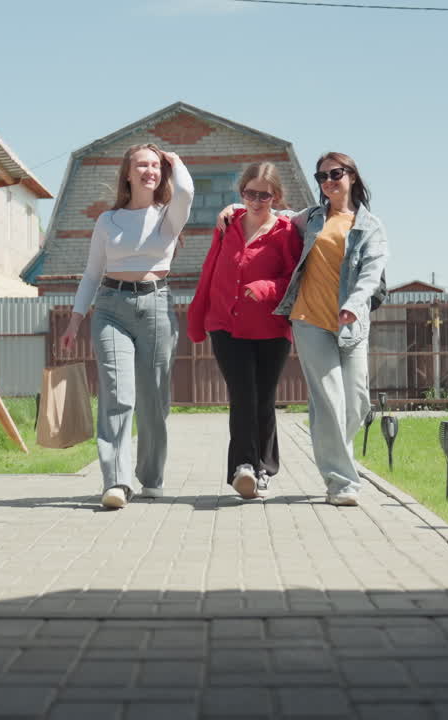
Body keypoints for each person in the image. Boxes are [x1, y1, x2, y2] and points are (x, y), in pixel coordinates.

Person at [218, 152, 388, 506]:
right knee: (329, 400)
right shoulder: (310, 218)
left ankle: (336, 453)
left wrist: (354, 305)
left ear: (352, 177)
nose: (328, 181)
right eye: (322, 176)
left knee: (356, 404)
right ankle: (341, 481)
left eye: (335, 174)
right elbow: (272, 213)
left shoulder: (371, 226)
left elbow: (372, 273)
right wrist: (236, 207)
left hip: (351, 323)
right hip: (309, 320)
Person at [59, 144, 193, 509]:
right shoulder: (108, 221)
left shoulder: (169, 215)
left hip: (156, 306)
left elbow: (186, 191)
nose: (150, 170)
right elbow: (91, 274)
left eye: (155, 165)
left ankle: (151, 477)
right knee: (117, 394)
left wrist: (175, 160)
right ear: (128, 173)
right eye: (142, 165)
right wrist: (75, 319)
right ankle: (116, 482)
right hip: (110, 307)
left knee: (153, 399)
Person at [187, 163, 303, 500]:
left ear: (275, 197)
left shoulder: (284, 231)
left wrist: (267, 287)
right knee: (243, 395)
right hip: (225, 325)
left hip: (270, 329)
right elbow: (210, 270)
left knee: (263, 400)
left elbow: (295, 277)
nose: (255, 200)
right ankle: (244, 468)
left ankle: (264, 467)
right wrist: (199, 315)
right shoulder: (227, 226)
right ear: (241, 193)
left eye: (263, 195)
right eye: (249, 193)